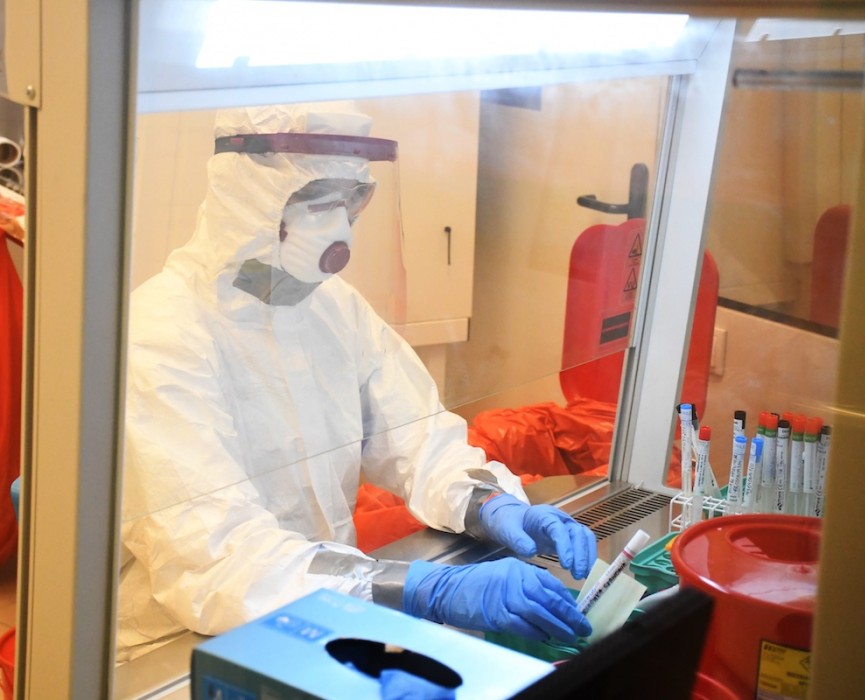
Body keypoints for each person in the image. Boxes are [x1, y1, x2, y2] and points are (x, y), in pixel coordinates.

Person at [117, 103, 598, 662]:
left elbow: (417, 437)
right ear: (249, 198)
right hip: (180, 644)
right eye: (319, 200)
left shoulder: (331, 309)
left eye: (352, 200)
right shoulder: (162, 335)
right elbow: (218, 556)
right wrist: (422, 589)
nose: (341, 227)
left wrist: (488, 503)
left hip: (325, 608)